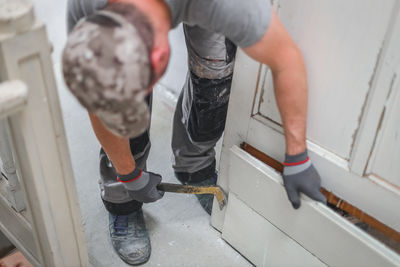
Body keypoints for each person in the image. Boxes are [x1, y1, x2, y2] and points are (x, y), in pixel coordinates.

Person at [63, 0, 327, 264]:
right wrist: (128, 174)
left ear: (161, 56)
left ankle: (194, 167)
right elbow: (98, 102)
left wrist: (297, 155)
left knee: (214, 81)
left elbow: (285, 58)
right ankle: (121, 199)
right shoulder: (87, 10)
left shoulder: (227, 6)